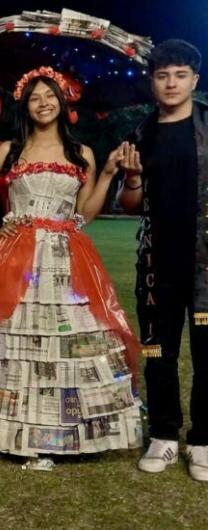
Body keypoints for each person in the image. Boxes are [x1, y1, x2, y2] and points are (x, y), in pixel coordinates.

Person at [0, 67, 142, 460]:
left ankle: (72, 432)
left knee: (70, 336)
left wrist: (109, 176)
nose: (44, 103)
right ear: (26, 107)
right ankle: (9, 429)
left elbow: (84, 213)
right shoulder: (10, 150)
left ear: (63, 102)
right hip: (18, 257)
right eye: (35, 97)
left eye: (50, 95)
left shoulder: (81, 154)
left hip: (68, 255)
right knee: (14, 338)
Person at [117, 39, 208, 481]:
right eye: (162, 75)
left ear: (194, 80)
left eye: (180, 75)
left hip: (206, 268)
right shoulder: (142, 133)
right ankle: (164, 435)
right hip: (157, 267)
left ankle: (204, 440)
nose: (171, 83)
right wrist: (133, 177)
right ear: (152, 82)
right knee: (158, 352)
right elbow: (131, 204)